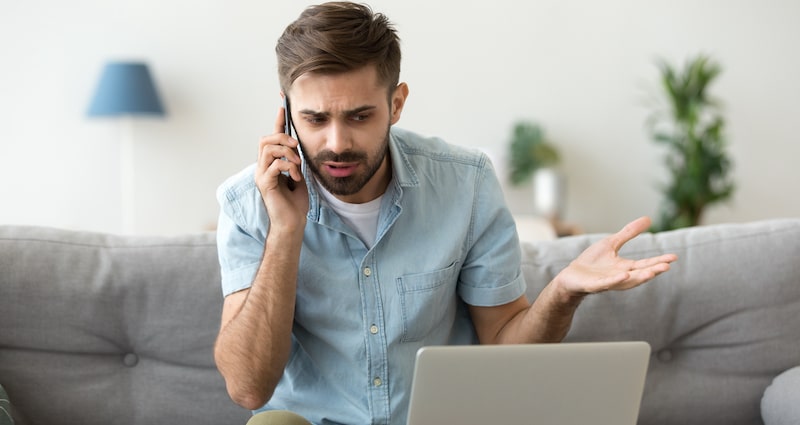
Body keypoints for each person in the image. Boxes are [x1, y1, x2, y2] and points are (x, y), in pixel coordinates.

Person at [213, 2, 678, 424]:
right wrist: (286, 230)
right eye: (315, 119)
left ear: (396, 104)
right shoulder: (246, 203)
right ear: (288, 114)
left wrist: (563, 292)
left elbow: (504, 348)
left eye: (359, 116)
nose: (337, 143)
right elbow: (248, 386)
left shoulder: (466, 183)